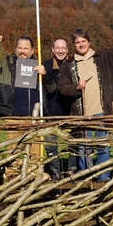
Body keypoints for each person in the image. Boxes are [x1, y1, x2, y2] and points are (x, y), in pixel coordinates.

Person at [58, 22, 113, 183]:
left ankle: (103, 176)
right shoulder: (69, 65)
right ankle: (86, 176)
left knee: (102, 145)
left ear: (89, 42)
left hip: (101, 111)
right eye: (77, 42)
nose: (81, 44)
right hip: (82, 113)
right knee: (84, 147)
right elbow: (62, 88)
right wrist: (76, 86)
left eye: (83, 41)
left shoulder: (103, 58)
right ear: (74, 45)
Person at [0, 34, 55, 178]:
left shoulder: (39, 66)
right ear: (15, 49)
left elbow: (51, 89)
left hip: (34, 119)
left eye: (26, 49)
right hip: (13, 117)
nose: (22, 51)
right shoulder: (7, 64)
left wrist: (45, 75)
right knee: (13, 151)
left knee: (34, 153)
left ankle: (33, 179)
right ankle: (13, 179)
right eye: (19, 48)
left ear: (32, 50)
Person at [43, 38, 76, 180]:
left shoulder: (73, 65)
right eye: (58, 48)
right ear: (52, 49)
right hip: (51, 111)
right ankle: (55, 171)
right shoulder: (46, 66)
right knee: (51, 144)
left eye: (63, 48)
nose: (60, 51)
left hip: (71, 111)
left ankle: (72, 171)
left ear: (68, 50)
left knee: (73, 143)